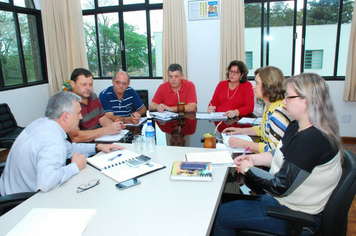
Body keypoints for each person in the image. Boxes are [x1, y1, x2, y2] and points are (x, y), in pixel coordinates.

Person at [212, 73, 343, 235]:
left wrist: (248, 169)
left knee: (221, 216)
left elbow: (280, 186)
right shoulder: (297, 125)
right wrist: (252, 158)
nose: (284, 101)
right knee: (227, 204)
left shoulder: (313, 139)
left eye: (289, 97)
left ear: (306, 102)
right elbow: (278, 153)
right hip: (286, 203)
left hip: (296, 215)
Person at [0, 92, 124, 195]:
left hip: (9, 187)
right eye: (78, 113)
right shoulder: (52, 140)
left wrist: (98, 147)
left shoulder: (43, 124)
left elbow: (70, 149)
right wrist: (75, 166)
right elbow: (46, 182)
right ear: (65, 117)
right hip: (22, 201)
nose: (81, 117)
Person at [222, 66, 292, 153]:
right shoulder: (269, 105)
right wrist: (241, 131)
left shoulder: (278, 114)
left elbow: (273, 150)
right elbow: (264, 129)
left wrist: (240, 143)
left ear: (268, 86)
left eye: (257, 83)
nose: (253, 87)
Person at [68, 68, 125, 143]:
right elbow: (76, 137)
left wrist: (114, 126)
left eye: (90, 84)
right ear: (73, 84)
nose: (88, 88)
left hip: (96, 141)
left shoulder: (93, 97)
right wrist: (107, 129)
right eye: (84, 84)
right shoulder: (68, 103)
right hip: (80, 148)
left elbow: (103, 119)